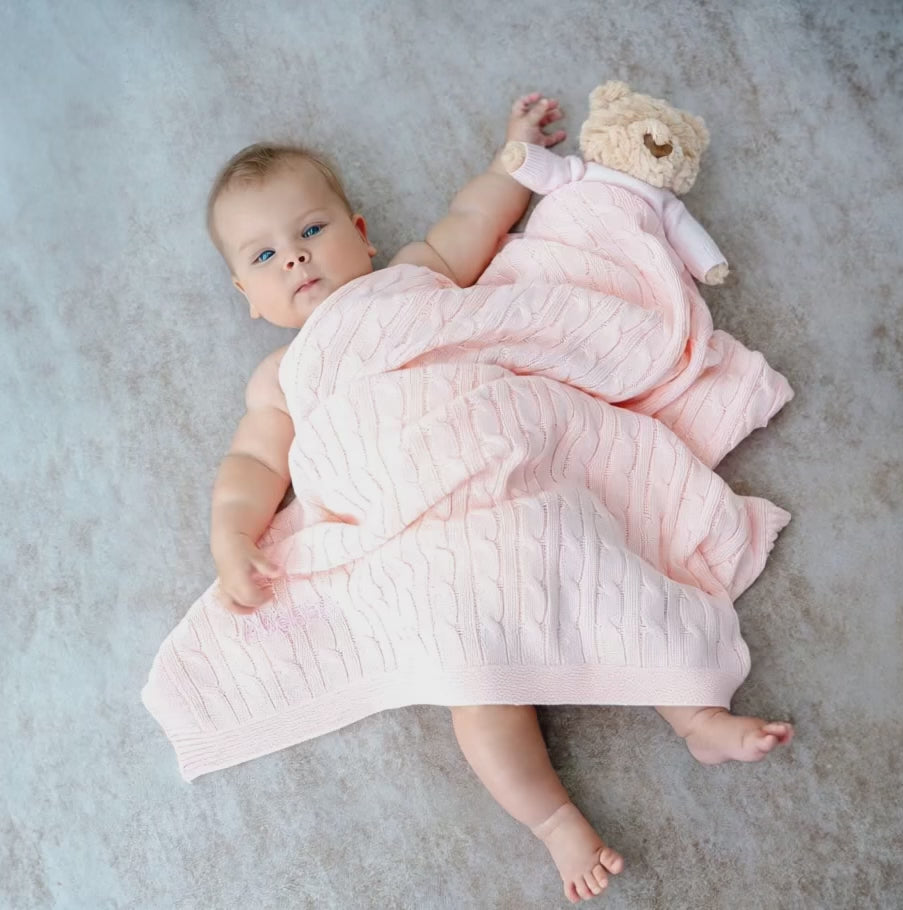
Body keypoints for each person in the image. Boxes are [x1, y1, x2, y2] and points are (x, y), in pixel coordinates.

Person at [203, 93, 793, 905]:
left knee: (613, 578)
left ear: (361, 235)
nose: (297, 260)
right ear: (246, 296)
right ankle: (554, 822)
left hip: (512, 474)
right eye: (265, 257)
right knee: (473, 683)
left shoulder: (411, 276)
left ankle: (695, 717)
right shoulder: (280, 379)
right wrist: (233, 536)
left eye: (310, 231)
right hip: (419, 539)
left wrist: (512, 157)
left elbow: (473, 218)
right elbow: (250, 466)